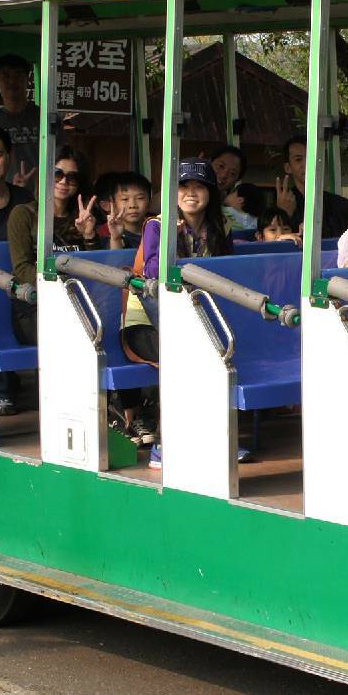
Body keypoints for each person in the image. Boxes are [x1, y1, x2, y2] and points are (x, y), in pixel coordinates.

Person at [125, 159, 231, 466]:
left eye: (199, 186)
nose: (191, 193)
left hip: (197, 316)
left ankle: (213, 441)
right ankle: (163, 442)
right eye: (183, 186)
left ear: (211, 192)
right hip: (147, 322)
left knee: (219, 349)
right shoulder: (157, 225)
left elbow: (225, 271)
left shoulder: (220, 226)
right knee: (187, 352)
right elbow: (155, 272)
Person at [6, 149, 94, 346]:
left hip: (78, 302)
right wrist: (62, 288)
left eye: (72, 177)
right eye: (57, 174)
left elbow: (95, 265)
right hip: (35, 306)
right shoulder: (24, 214)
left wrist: (88, 235)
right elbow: (22, 269)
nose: (63, 182)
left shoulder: (83, 217)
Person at [274, 135, 348, 242]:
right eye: (298, 159)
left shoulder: (342, 205)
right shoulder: (281, 205)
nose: (306, 164)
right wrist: (284, 213)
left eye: (311, 158)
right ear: (288, 167)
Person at [0, 53, 40, 188]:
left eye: (18, 75)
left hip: (41, 198)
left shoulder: (45, 119)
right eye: (6, 75)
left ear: (28, 78)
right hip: (0, 197)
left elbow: (59, 159)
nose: (12, 81)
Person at [90, 170, 151, 251]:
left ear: (150, 202)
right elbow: (114, 261)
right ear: (113, 203)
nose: (132, 205)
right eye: (125, 199)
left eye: (140, 198)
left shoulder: (157, 229)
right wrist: (116, 239)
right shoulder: (105, 236)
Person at [209, 143, 260, 234]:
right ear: (209, 163)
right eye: (221, 166)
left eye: (232, 173)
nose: (224, 175)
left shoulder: (229, 215)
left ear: (236, 181)